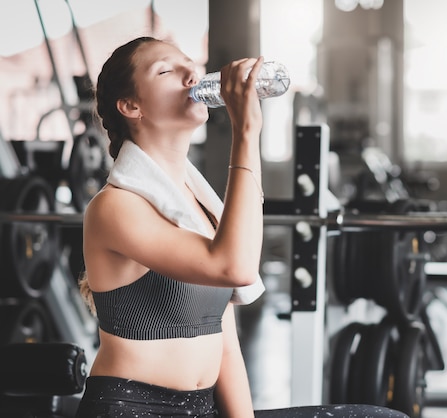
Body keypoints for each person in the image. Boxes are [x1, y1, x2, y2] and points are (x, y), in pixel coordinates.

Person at [75, 36, 410, 418]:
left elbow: (227, 344)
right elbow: (233, 266)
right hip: (132, 408)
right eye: (167, 70)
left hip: (204, 409)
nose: (190, 75)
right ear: (131, 106)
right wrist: (246, 132)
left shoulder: (198, 204)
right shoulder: (114, 206)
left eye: (190, 64)